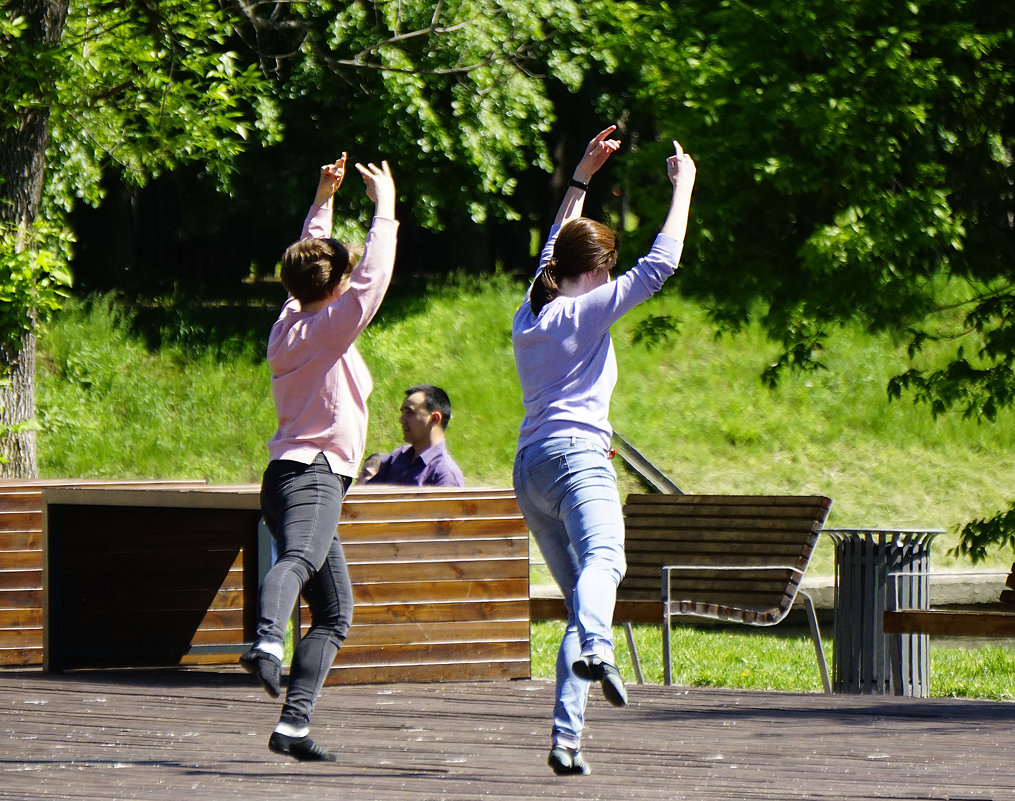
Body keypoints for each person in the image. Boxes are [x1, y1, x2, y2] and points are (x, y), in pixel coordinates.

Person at [511, 125, 696, 776]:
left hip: (529, 467)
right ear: (593, 271)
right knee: (606, 564)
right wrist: (685, 187)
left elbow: (554, 246)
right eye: (605, 268)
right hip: (575, 458)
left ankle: (566, 738)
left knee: (585, 597)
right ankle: (596, 643)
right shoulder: (585, 309)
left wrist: (582, 178)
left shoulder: (532, 307)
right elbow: (661, 264)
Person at [240, 152, 398, 762]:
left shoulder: (289, 321)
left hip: (294, 478)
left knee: (334, 613)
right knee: (301, 558)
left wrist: (324, 197)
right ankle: (265, 641)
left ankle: (294, 726)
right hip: (312, 475)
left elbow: (308, 257)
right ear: (334, 288)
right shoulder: (332, 327)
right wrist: (384, 208)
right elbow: (373, 278)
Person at [364, 384, 465, 487]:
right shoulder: (397, 458)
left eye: (409, 413)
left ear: (435, 419)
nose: (401, 420)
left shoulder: (445, 474)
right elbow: (367, 498)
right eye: (403, 413)